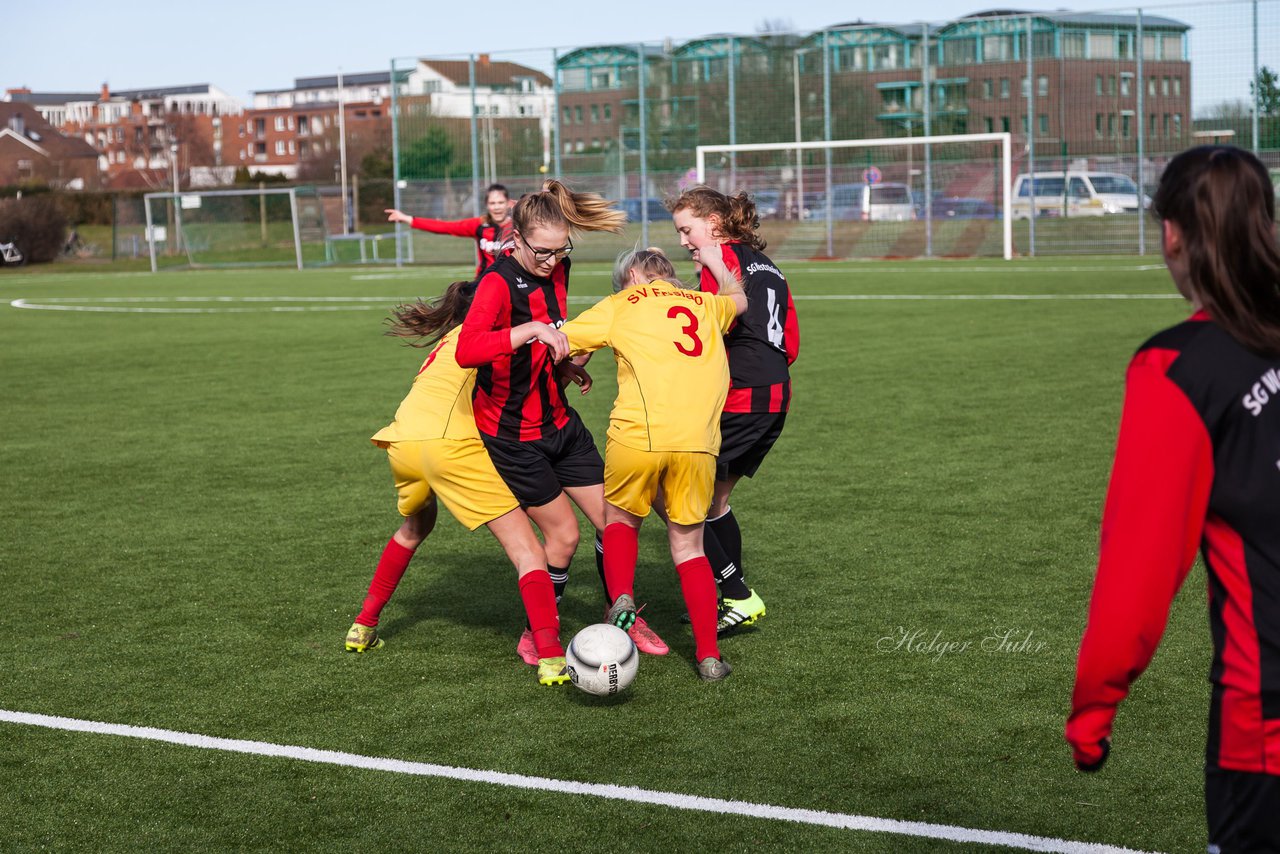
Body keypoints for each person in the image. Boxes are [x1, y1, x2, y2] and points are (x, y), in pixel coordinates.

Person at [1065, 145, 1280, 850]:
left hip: (1266, 725)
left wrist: (1092, 712)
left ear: (1171, 234)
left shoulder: (1178, 368)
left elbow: (1140, 571)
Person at [454, 179, 672, 661]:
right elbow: (468, 351)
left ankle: (623, 615)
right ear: (515, 240)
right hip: (514, 436)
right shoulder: (496, 282)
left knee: (615, 520)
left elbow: (550, 336)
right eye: (541, 251)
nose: (551, 260)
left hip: (560, 423)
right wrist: (527, 328)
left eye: (560, 250)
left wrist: (564, 364)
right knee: (564, 536)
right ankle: (539, 628)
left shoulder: (559, 269)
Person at [345, 279, 576, 687]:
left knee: (415, 528)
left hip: (402, 441)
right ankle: (552, 657)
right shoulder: (492, 339)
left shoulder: (450, 339)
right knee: (527, 551)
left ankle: (363, 625)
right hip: (448, 445)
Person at [550, 247, 747, 680]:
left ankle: (621, 594)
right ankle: (708, 657)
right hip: (699, 443)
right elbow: (740, 299)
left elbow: (561, 344)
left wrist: (571, 369)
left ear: (635, 276)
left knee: (619, 519)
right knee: (688, 545)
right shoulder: (708, 304)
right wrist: (715, 261)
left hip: (637, 435)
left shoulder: (621, 303)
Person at [665, 186, 800, 634]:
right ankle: (728, 599)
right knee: (716, 500)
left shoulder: (719, 260)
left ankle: (739, 594)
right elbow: (790, 343)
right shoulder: (770, 266)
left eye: (687, 230)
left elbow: (712, 326)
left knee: (679, 497)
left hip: (744, 394)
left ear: (714, 225)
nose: (684, 241)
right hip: (775, 393)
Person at [385, 184, 515, 278]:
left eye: (500, 202)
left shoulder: (518, 226)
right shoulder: (479, 225)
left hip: (513, 283)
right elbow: (445, 227)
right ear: (487, 205)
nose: (497, 207)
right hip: (485, 282)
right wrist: (408, 219)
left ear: (508, 203)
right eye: (492, 203)